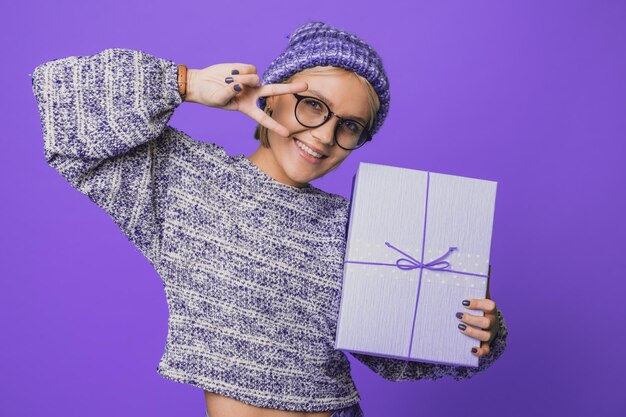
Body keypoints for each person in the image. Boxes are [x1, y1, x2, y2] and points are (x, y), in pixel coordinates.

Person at [31, 21, 508, 417]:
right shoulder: (187, 181)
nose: (324, 136)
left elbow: (399, 359)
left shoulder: (359, 229)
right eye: (314, 105)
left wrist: (474, 333)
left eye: (350, 126)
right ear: (272, 96)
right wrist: (189, 84)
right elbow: (63, 105)